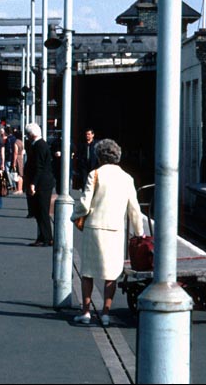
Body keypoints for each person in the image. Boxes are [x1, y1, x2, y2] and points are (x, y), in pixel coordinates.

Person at [70, 138, 145, 326]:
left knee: (88, 272)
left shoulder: (95, 175)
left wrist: (74, 216)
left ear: (99, 156)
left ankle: (86, 312)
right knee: (111, 274)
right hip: (115, 230)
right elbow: (134, 209)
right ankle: (105, 313)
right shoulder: (127, 178)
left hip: (94, 229)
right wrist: (139, 233)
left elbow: (85, 204)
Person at [23, 123, 55, 246]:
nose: (27, 137)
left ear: (31, 135)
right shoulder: (40, 145)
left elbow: (39, 167)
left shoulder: (39, 146)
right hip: (41, 182)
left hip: (42, 183)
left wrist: (33, 184)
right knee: (38, 211)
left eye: (27, 134)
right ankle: (43, 237)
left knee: (42, 211)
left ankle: (47, 238)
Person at [11, 129, 25, 194]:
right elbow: (22, 152)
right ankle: (20, 188)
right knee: (20, 174)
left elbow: (15, 152)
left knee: (17, 174)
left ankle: (19, 189)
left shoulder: (16, 142)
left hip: (17, 158)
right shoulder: (21, 142)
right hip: (21, 158)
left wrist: (13, 162)